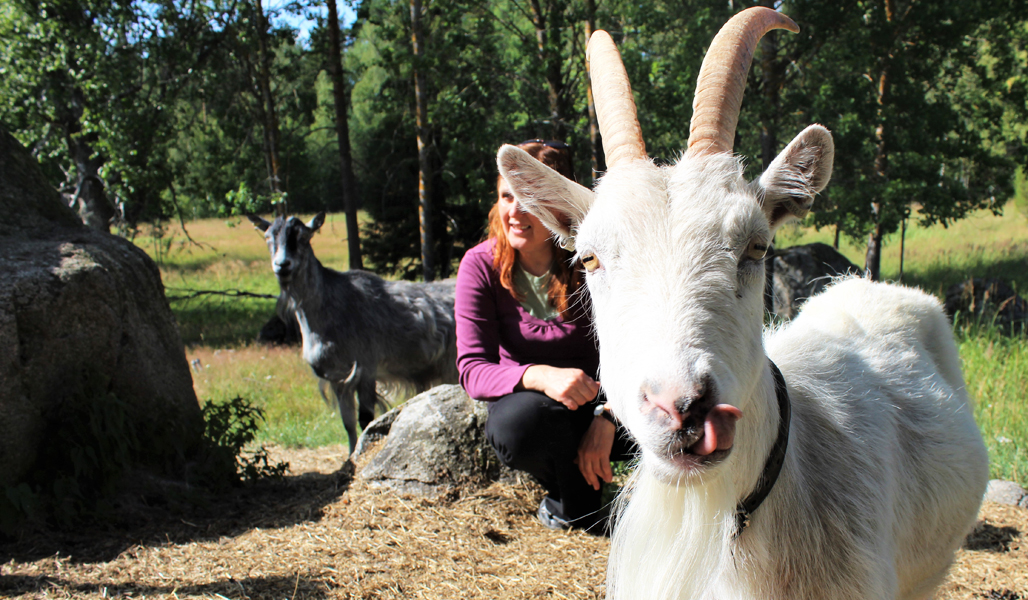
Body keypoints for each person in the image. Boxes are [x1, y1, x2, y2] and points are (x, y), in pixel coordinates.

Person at [454, 139, 636, 534]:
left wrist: (607, 414)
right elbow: (473, 370)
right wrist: (540, 375)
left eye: (528, 199)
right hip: (545, 414)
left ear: (558, 207)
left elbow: (637, 349)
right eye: (506, 196)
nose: (514, 211)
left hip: (613, 405)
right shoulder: (480, 266)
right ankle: (575, 504)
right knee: (522, 423)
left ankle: (581, 507)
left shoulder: (597, 262)